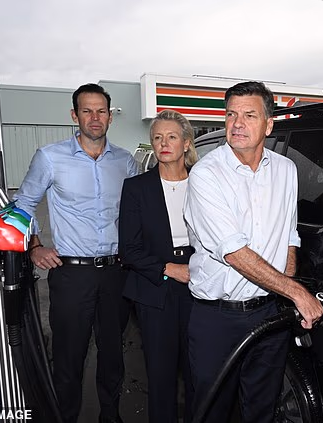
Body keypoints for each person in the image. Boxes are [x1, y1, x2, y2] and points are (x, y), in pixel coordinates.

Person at [184, 81, 323, 423]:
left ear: (268, 124)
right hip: (218, 318)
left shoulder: (286, 169)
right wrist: (296, 292)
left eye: (249, 115)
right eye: (231, 114)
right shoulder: (206, 174)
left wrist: (284, 292)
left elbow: (289, 233)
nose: (237, 123)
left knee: (262, 410)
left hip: (269, 314)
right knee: (211, 412)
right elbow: (233, 251)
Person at [13, 83, 139, 423]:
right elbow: (23, 205)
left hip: (115, 273)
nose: (95, 118)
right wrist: (34, 247)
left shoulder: (125, 162)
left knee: (112, 356)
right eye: (87, 111)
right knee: (69, 358)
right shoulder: (50, 157)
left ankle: (110, 416)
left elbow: (138, 211)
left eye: (101, 111)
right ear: (74, 115)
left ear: (110, 116)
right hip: (71, 275)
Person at [118, 109, 197, 423]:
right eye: (158, 137)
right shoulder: (136, 188)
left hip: (201, 285)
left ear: (186, 143)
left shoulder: (204, 184)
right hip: (155, 287)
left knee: (199, 372)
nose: (164, 143)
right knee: (161, 375)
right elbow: (128, 249)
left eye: (172, 137)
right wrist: (169, 268)